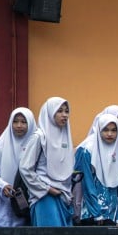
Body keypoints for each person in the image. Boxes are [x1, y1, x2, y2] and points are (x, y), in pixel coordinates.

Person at [20, 97, 75, 227]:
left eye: (66, 111)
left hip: (63, 196)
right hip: (44, 198)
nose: (64, 115)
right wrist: (46, 189)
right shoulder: (40, 137)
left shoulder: (66, 137)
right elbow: (25, 168)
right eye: (59, 111)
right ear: (50, 113)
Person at [73, 113, 118, 225]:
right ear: (98, 130)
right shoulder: (88, 151)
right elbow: (87, 184)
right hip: (91, 214)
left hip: (113, 214)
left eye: (113, 130)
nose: (109, 134)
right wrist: (96, 213)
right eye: (105, 130)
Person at [0, 107, 36, 227]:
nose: (19, 125)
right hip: (4, 204)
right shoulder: (0, 146)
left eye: (24, 122)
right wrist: (3, 186)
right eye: (15, 121)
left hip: (27, 203)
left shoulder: (36, 146)